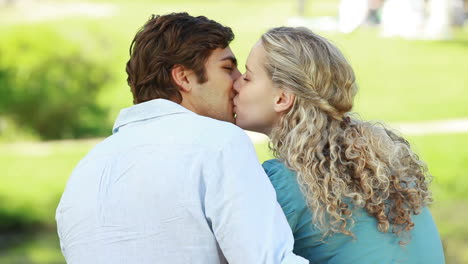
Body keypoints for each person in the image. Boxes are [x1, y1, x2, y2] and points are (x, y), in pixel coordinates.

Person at [55, 13, 308, 264]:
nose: (238, 82)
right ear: (184, 77)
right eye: (228, 68)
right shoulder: (218, 142)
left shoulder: (85, 171)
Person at [233, 26, 445, 263]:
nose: (235, 85)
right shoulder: (385, 165)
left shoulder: (286, 182)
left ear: (282, 98)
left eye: (247, 77)